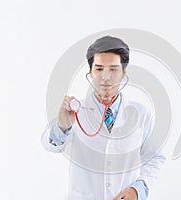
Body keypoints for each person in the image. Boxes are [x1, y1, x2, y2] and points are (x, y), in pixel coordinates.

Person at [42, 36, 166, 200]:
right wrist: (63, 127)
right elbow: (51, 146)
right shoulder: (74, 111)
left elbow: (155, 158)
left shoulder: (141, 113)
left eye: (113, 69)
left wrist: (137, 190)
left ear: (123, 73)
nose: (106, 77)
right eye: (99, 69)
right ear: (90, 72)